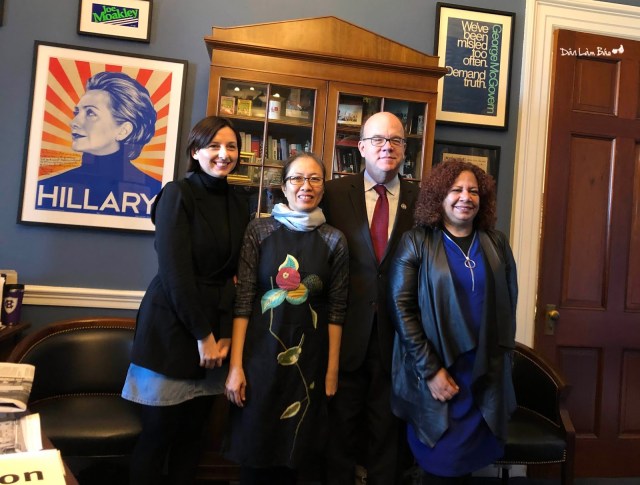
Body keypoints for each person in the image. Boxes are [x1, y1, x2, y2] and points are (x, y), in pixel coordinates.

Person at [122, 116, 250, 485]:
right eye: (214, 146)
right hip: (172, 327)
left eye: (231, 147)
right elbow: (175, 274)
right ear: (195, 152)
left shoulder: (239, 201)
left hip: (215, 328)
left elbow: (234, 275)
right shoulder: (176, 194)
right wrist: (203, 335)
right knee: (157, 437)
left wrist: (223, 334)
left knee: (194, 439)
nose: (224, 154)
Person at [387, 160, 518, 484]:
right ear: (439, 196)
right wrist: (431, 371)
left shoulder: (496, 242)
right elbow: (402, 309)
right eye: (456, 190)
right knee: (440, 465)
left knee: (467, 467)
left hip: (483, 374)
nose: (465, 197)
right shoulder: (416, 241)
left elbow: (509, 304)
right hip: (437, 372)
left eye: (473, 191)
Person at [224, 152, 349, 485]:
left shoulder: (334, 239)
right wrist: (236, 367)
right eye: (297, 178)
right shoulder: (259, 230)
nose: (306, 186)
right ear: (284, 186)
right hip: (259, 358)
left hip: (309, 364)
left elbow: (337, 309)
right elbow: (244, 301)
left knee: (298, 459)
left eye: (315, 179)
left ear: (323, 187)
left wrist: (331, 371)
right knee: (256, 456)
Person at [322, 111, 418, 484]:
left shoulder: (421, 200)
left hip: (396, 338)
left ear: (404, 149)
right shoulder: (332, 194)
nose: (386, 147)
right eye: (377, 139)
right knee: (338, 434)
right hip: (343, 333)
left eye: (395, 140)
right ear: (361, 147)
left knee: (387, 435)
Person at [37, 71, 160, 217]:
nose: (74, 122)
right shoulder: (48, 187)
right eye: (77, 112)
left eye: (91, 113)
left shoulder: (155, 191)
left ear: (123, 130)